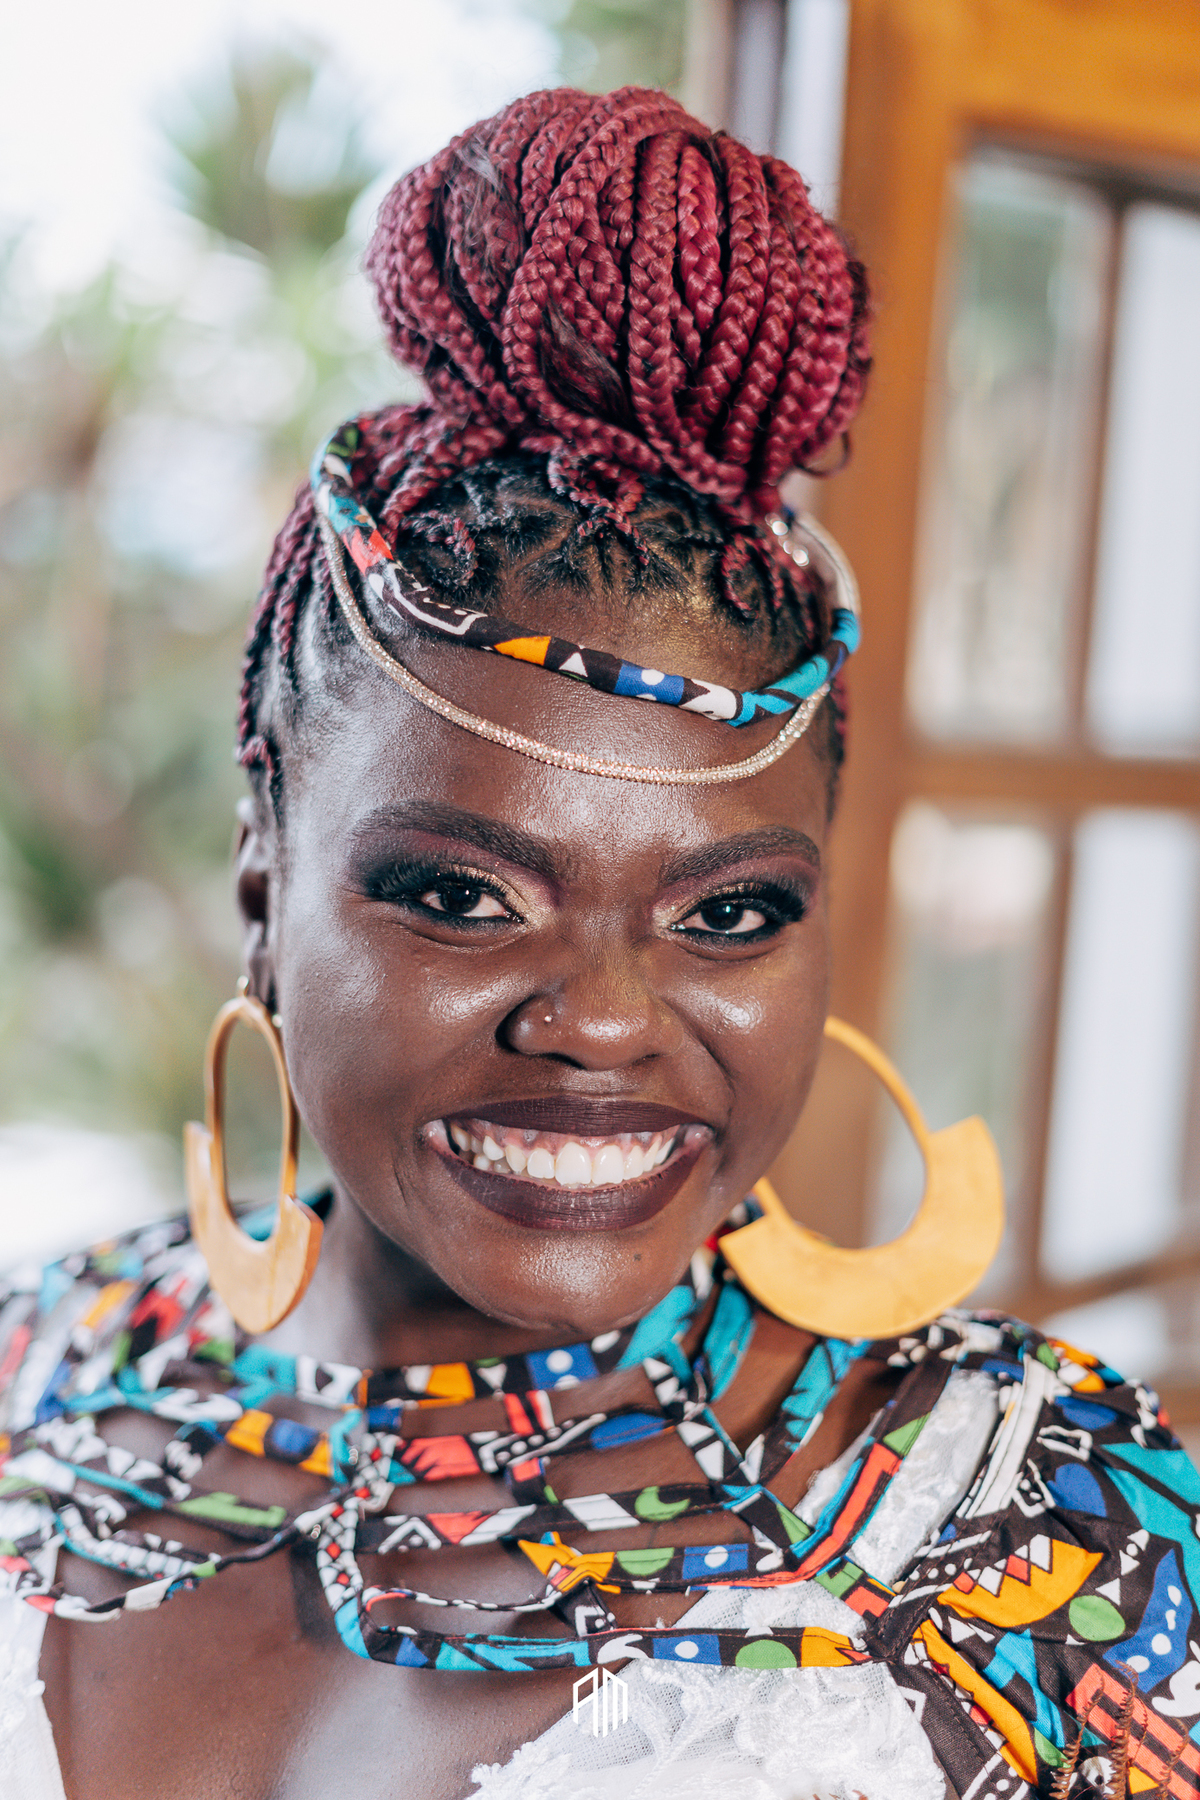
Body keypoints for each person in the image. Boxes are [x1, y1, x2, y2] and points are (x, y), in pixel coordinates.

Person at [0, 84, 1196, 1800]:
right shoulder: (36, 1367)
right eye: (463, 895)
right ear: (262, 884)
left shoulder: (1042, 1526)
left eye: (731, 913)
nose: (606, 1023)